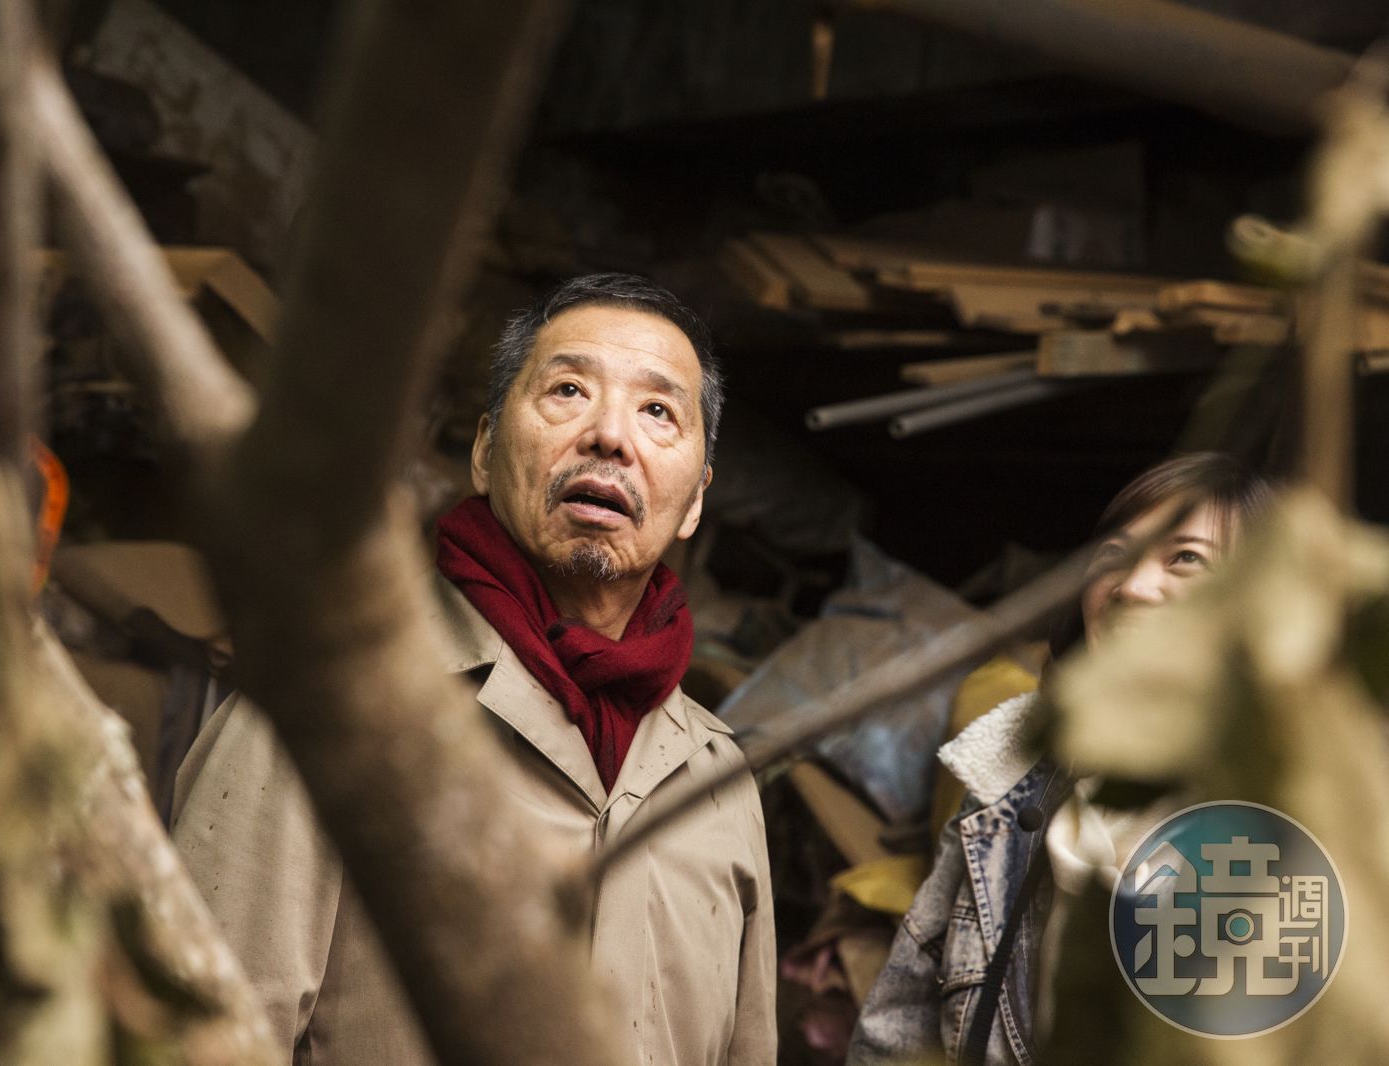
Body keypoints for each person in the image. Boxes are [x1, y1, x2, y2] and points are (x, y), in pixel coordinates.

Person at [171, 274, 776, 1065]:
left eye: (658, 411)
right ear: (486, 453)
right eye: (568, 390)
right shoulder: (329, 712)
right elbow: (196, 1041)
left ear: (694, 500)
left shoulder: (717, 782)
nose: (610, 436)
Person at [848, 452, 1275, 1066]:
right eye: (1113, 556)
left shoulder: (1299, 814)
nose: (1132, 586)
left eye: (1185, 558)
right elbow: (895, 1035)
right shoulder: (1007, 791)